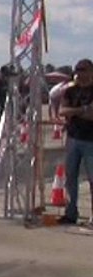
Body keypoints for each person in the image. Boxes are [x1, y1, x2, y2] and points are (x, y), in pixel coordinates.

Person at [57, 58, 93, 226]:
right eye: (77, 69)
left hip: (90, 140)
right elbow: (62, 111)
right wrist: (82, 110)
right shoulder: (70, 91)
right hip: (73, 138)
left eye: (83, 69)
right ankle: (71, 213)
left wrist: (75, 113)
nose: (79, 72)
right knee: (70, 177)